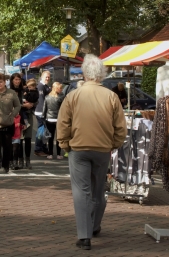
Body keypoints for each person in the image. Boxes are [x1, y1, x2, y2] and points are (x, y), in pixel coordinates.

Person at [57, 54, 127, 250]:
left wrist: (64, 143)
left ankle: (84, 235)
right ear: (101, 74)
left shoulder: (73, 95)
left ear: (85, 73)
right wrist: (114, 143)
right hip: (102, 148)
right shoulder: (111, 96)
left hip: (78, 148)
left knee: (81, 192)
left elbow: (63, 123)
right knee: (98, 189)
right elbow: (120, 126)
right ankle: (95, 225)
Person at [0, 73, 21, 174]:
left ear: (5, 82)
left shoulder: (11, 93)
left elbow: (18, 106)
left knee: (7, 146)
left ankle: (5, 165)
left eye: (1, 82)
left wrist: (13, 115)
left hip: (8, 123)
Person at [10, 73, 36, 169]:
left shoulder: (24, 90)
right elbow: (11, 104)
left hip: (28, 116)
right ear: (12, 80)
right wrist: (23, 106)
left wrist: (32, 103)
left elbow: (35, 97)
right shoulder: (10, 91)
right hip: (17, 117)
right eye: (15, 79)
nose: (17, 81)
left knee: (28, 138)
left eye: (18, 79)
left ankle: (28, 160)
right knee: (19, 139)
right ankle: (19, 160)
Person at [42, 82, 64, 159]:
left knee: (50, 137)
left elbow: (44, 109)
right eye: (60, 88)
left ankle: (50, 153)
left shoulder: (47, 97)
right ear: (56, 88)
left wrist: (43, 117)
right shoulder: (61, 97)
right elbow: (63, 109)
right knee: (59, 137)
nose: (62, 89)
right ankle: (58, 154)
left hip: (49, 119)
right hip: (58, 119)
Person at [34, 71, 51, 157]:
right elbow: (41, 101)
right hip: (41, 112)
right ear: (42, 77)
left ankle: (44, 148)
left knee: (44, 131)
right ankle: (38, 149)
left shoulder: (45, 86)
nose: (47, 78)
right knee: (41, 131)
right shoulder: (40, 86)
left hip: (44, 112)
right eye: (46, 77)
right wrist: (44, 112)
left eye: (48, 77)